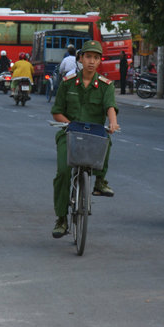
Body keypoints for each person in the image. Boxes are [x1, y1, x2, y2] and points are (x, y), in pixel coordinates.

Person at [50, 40, 120, 238]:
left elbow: (110, 107)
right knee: (63, 173)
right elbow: (56, 113)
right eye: (88, 57)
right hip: (69, 134)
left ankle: (100, 181)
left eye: (96, 58)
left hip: (94, 134)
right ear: (80, 59)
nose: (91, 61)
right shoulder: (68, 83)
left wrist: (113, 122)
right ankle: (62, 219)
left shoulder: (106, 85)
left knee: (108, 140)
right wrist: (69, 124)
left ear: (99, 61)